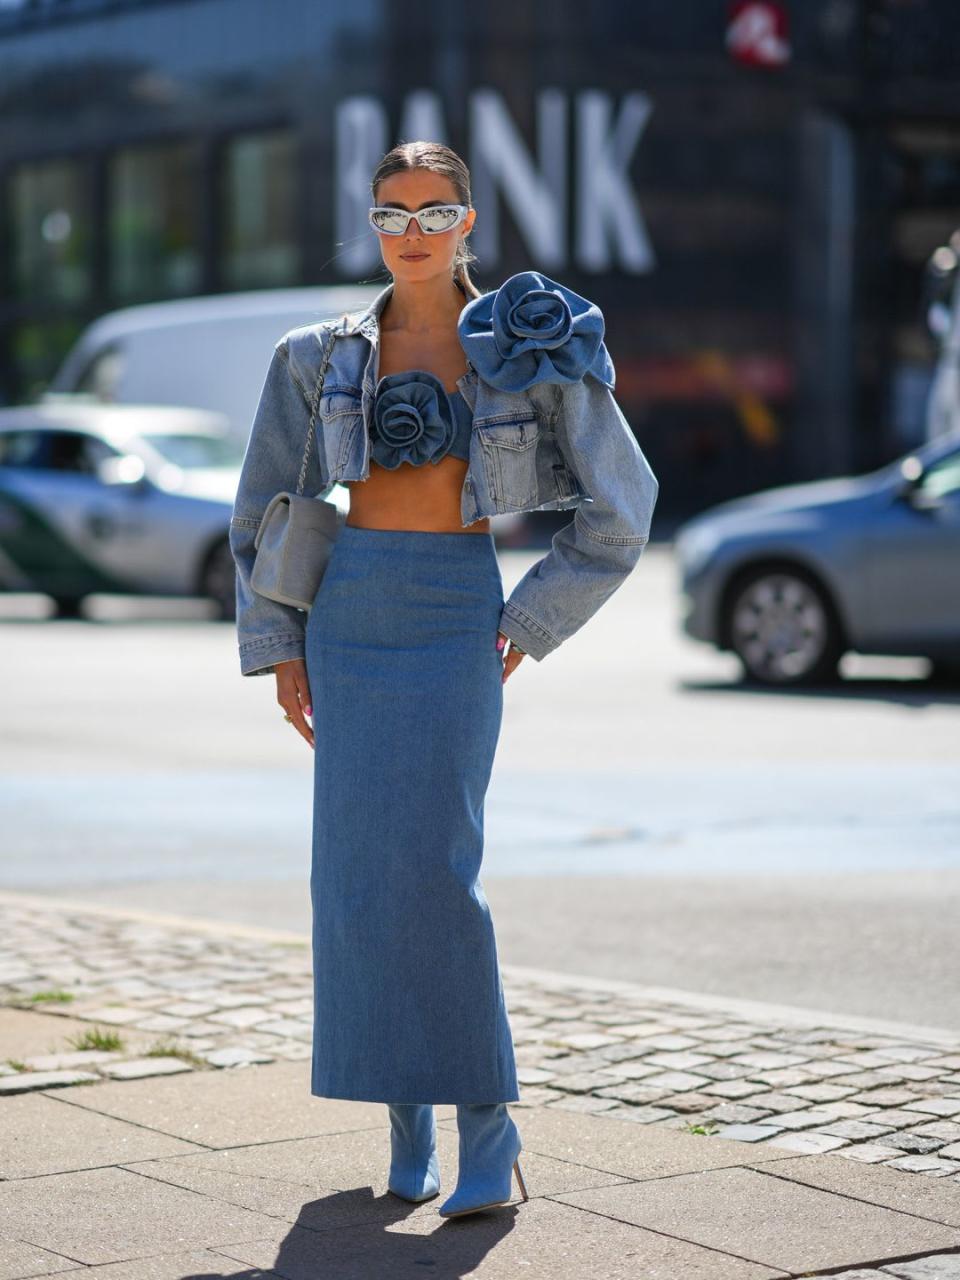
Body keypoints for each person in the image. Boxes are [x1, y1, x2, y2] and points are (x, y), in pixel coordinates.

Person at [229, 140, 660, 1220]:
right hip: (348, 617)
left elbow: (624, 506)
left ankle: (489, 1122)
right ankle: (404, 1122)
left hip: (459, 615)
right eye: (392, 211)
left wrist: (532, 617)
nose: (412, 230)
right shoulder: (315, 352)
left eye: (434, 210)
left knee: (437, 875)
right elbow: (260, 511)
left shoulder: (528, 342)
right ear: (370, 221)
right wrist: (281, 644)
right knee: (359, 881)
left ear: (469, 220)